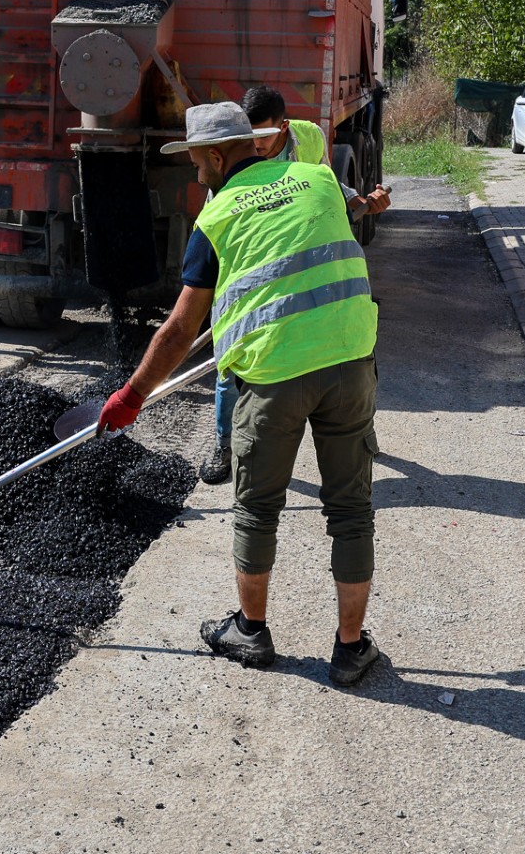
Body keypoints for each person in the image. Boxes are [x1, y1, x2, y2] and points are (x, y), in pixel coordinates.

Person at [98, 101, 384, 686]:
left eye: (194, 159)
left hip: (273, 376)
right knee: (351, 510)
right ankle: (351, 649)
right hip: (351, 363)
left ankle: (251, 633)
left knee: (257, 508)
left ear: (214, 155)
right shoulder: (318, 178)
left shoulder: (218, 215)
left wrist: (132, 394)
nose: (192, 170)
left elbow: (180, 329)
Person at [197, 87, 389, 486]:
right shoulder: (228, 153)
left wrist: (361, 202)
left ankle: (352, 428)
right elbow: (222, 217)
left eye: (262, 138)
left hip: (303, 255)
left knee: (337, 341)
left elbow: (325, 188)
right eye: (248, 139)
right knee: (229, 356)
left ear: (283, 127)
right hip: (252, 258)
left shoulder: (309, 138)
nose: (254, 147)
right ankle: (224, 444)